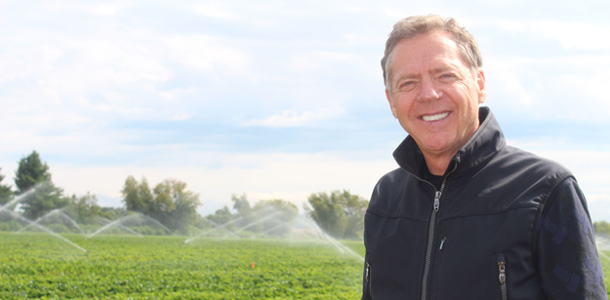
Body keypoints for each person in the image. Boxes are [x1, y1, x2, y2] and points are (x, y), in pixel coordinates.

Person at [361, 14, 608, 300]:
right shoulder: (386, 197)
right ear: (392, 101)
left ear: (479, 84)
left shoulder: (545, 190)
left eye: (445, 75)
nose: (428, 94)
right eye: (408, 83)